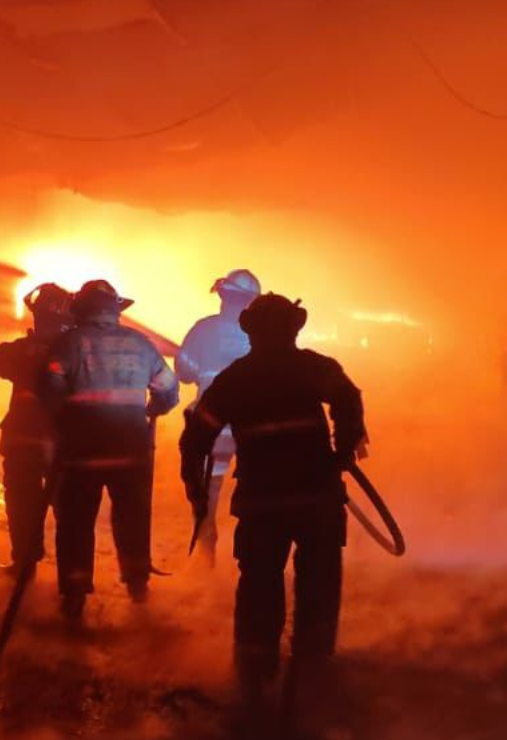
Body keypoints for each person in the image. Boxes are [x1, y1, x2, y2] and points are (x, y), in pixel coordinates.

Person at [179, 292, 368, 718]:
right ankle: (312, 664)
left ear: (251, 332)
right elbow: (348, 398)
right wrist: (343, 449)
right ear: (293, 328)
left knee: (259, 583)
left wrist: (195, 490)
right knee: (319, 581)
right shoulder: (313, 367)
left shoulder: (235, 379)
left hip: (263, 501)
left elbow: (196, 437)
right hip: (315, 497)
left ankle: (255, 670)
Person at [41, 279, 179, 618]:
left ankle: (75, 596)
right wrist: (154, 409)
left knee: (75, 523)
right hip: (131, 453)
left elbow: (50, 389)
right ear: (115, 310)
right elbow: (168, 389)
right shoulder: (141, 344)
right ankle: (138, 587)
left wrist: (62, 423)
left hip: (81, 453)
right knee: (133, 519)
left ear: (81, 310)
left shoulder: (69, 343)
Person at [0, 283, 74, 573]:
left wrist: (28, 346)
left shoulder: (21, 351)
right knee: (70, 509)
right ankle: (72, 573)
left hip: (23, 441)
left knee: (23, 505)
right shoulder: (78, 351)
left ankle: (25, 564)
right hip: (66, 443)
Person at [176, 268, 261, 560]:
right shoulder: (263, 335)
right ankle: (255, 559)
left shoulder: (204, 329)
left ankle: (206, 559)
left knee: (208, 492)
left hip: (212, 428)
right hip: (253, 430)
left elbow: (185, 372)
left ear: (223, 295)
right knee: (257, 489)